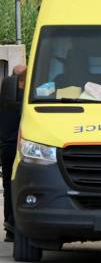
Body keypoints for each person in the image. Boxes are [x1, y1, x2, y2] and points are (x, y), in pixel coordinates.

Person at [0, 64, 25, 242]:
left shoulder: (4, 99)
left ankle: (10, 227)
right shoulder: (30, 98)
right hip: (19, 147)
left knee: (9, 187)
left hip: (8, 147)